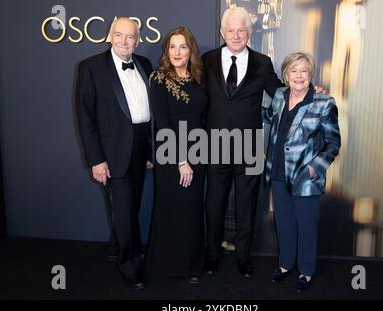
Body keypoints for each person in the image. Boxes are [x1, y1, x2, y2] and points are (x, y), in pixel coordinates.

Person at [202, 7, 283, 277]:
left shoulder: (263, 62)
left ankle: (243, 257)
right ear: (221, 32)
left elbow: (280, 93)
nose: (236, 35)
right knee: (214, 204)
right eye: (231, 30)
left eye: (241, 30)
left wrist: (307, 91)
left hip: (249, 145)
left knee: (246, 205)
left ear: (249, 33)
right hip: (214, 145)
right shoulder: (206, 60)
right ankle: (212, 256)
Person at [76, 17, 153, 290]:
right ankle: (129, 265)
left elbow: (149, 111)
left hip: (140, 145)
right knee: (123, 208)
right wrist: (97, 159)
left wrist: (149, 149)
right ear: (110, 36)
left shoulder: (144, 64)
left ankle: (116, 247)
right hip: (112, 151)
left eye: (130, 36)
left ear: (137, 39)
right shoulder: (91, 67)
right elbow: (85, 118)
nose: (124, 41)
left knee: (130, 205)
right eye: (119, 35)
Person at [263, 52, 341, 291]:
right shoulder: (279, 95)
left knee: (306, 225)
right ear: (286, 75)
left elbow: (333, 143)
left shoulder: (324, 102)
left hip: (305, 178)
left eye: (304, 71)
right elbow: (267, 116)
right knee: (284, 222)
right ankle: (285, 264)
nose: (299, 76)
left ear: (311, 74)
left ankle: (306, 271)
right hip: (277, 171)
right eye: (294, 71)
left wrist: (312, 170)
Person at [145, 27, 207, 284]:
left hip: (199, 151)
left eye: (182, 46)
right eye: (172, 46)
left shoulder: (199, 77)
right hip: (172, 152)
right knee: (172, 208)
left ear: (191, 50)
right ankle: (168, 264)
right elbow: (162, 122)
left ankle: (192, 264)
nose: (177, 52)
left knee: (192, 209)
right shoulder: (158, 78)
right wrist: (181, 160)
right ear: (166, 50)